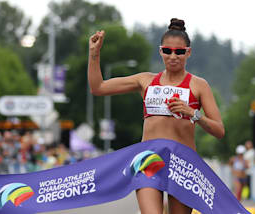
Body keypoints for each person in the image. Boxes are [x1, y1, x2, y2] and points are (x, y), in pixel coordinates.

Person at [88, 18, 224, 214]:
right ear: (161, 51)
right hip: (148, 159)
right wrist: (94, 54)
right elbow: (98, 87)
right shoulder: (146, 81)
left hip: (182, 164)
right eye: (167, 51)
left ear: (189, 52)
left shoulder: (198, 85)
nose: (173, 56)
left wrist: (193, 114)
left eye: (180, 51)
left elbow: (219, 130)